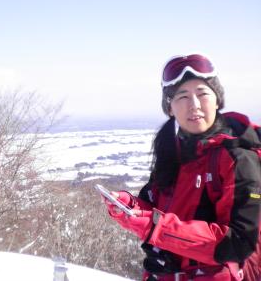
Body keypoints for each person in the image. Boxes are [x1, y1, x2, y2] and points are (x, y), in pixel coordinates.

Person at [102, 53, 261, 280]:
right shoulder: (173, 152)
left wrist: (155, 228)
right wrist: (129, 204)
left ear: (217, 100)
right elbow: (158, 207)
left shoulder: (237, 157)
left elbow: (238, 242)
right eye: (182, 96)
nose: (194, 105)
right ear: (170, 107)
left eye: (203, 93)